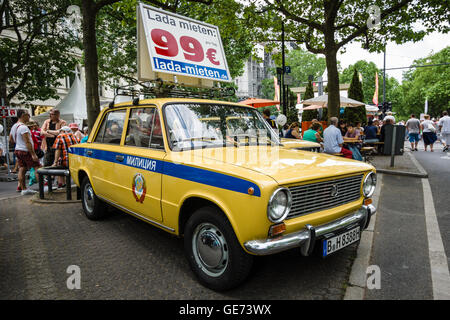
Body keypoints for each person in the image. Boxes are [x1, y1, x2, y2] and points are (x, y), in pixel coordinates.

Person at [12, 110, 40, 195]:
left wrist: (18, 144)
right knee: (37, 167)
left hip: (18, 150)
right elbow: (27, 141)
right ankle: (43, 187)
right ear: (23, 115)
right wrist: (33, 154)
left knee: (22, 168)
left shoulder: (14, 126)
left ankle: (24, 189)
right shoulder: (23, 127)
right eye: (28, 115)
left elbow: (11, 139)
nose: (29, 117)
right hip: (25, 150)